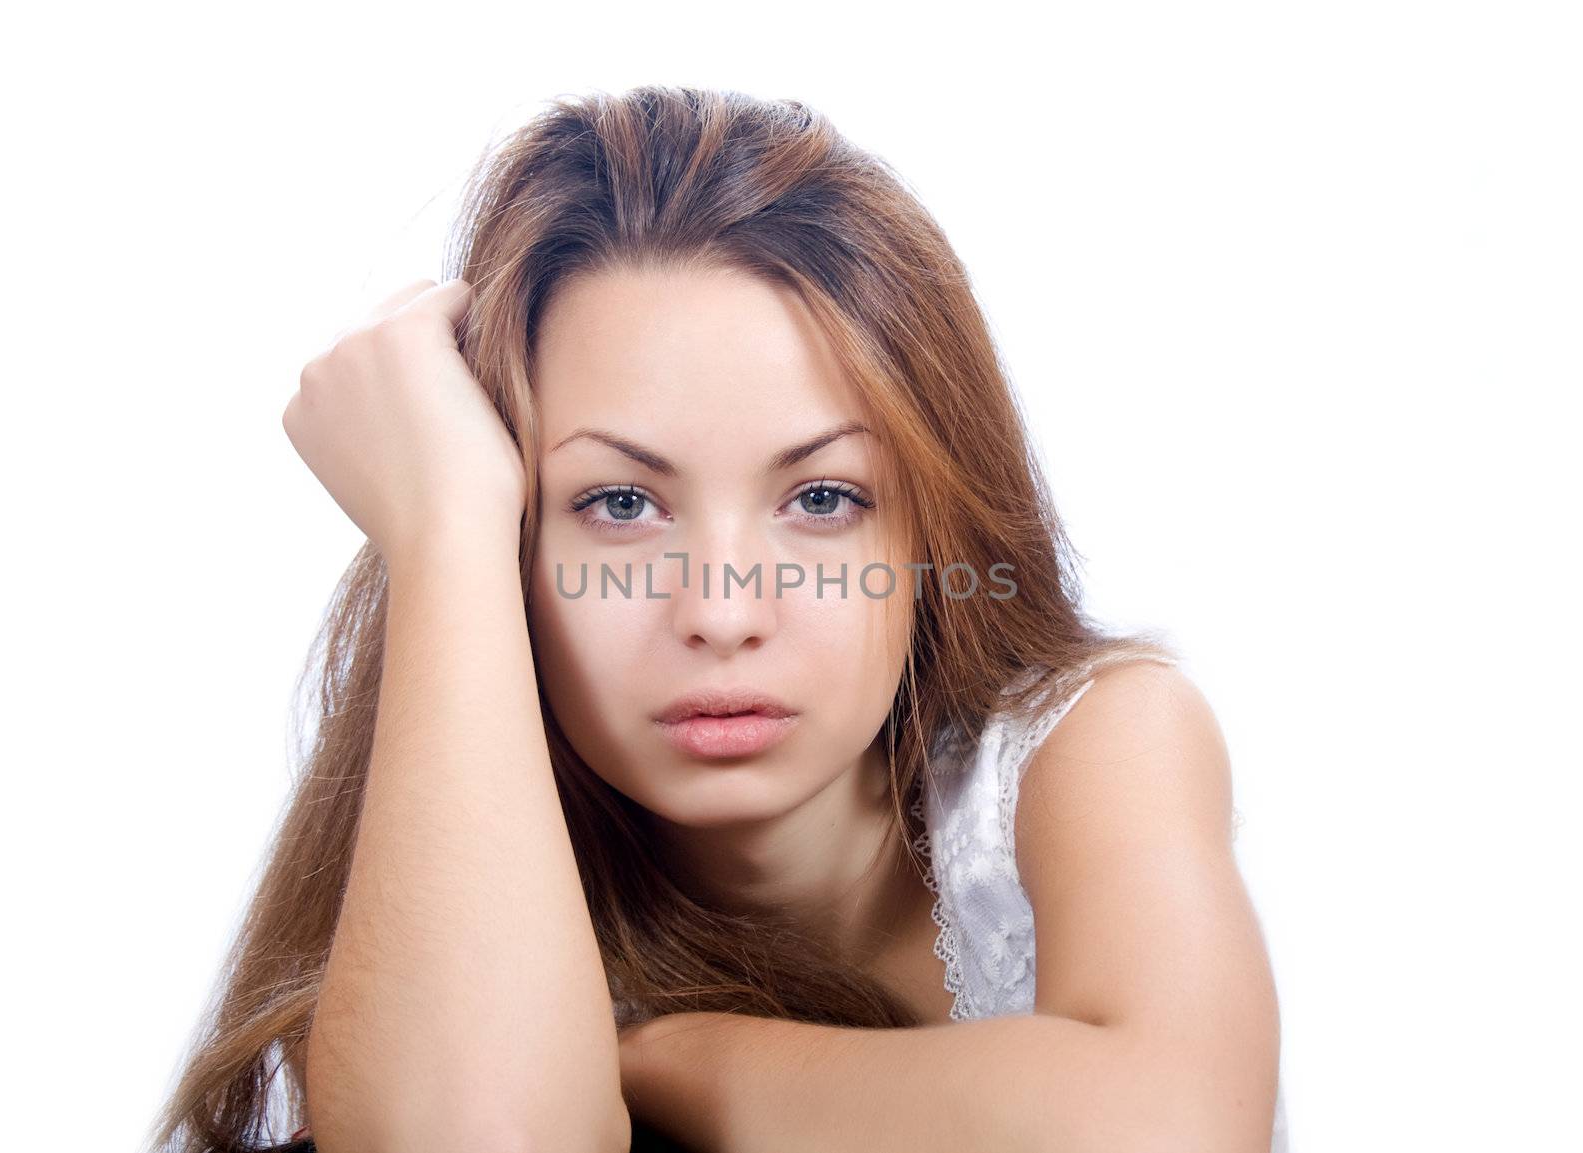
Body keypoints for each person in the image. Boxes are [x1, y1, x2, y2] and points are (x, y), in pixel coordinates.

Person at [147, 84, 1286, 1153]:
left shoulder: (1089, 740)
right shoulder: (469, 843)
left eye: (823, 499)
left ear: (932, 535)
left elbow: (1168, 1126)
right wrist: (442, 536)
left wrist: (663, 1054)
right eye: (620, 504)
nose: (723, 613)